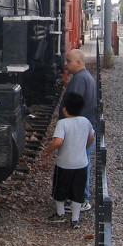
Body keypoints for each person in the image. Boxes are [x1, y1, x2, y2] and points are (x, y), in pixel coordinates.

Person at [43, 92, 95, 229]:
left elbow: (58, 142)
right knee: (77, 192)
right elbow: (91, 137)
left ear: (65, 109)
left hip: (64, 164)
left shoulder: (63, 123)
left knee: (60, 190)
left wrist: (47, 151)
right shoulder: (85, 121)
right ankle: (75, 220)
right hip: (81, 164)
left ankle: (60, 214)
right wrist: (84, 147)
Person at [60, 48, 97, 211]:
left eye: (68, 61)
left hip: (79, 134)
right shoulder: (86, 78)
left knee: (80, 167)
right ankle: (79, 198)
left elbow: (73, 106)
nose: (65, 64)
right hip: (85, 130)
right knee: (83, 164)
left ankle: (80, 199)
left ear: (79, 63)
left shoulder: (79, 81)